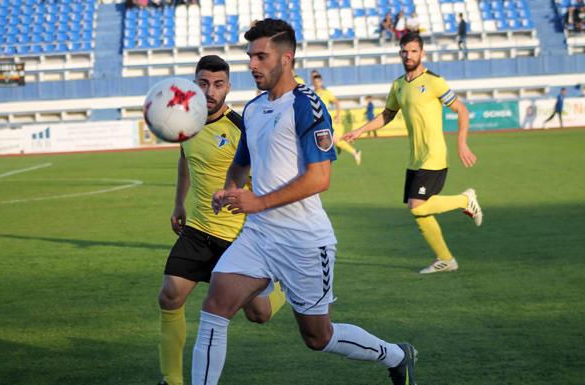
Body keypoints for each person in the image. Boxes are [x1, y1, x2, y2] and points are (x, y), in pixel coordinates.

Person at [191, 18, 418, 385]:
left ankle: (396, 355)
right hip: (259, 235)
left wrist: (258, 202)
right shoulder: (253, 109)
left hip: (304, 242)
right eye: (250, 56)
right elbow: (241, 163)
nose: (252, 65)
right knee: (215, 306)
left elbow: (320, 178)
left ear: (286, 58)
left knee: (318, 337)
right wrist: (229, 188)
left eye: (261, 56)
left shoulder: (307, 106)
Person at [156, 55, 286, 385]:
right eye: (203, 83)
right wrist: (178, 204)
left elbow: (269, 176)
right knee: (170, 295)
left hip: (239, 236)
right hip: (199, 227)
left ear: (228, 87)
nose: (210, 91)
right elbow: (185, 160)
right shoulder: (185, 121)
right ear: (194, 84)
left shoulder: (242, 128)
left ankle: (285, 285)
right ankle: (171, 380)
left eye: (218, 84)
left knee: (259, 314)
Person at [343, 33, 483, 274]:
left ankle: (465, 199)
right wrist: (360, 130)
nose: (409, 55)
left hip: (434, 155)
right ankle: (446, 260)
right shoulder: (398, 85)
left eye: (414, 51)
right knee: (420, 213)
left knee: (417, 206)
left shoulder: (434, 81)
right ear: (400, 52)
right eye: (405, 51)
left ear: (422, 54)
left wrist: (462, 143)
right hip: (415, 158)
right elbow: (387, 115)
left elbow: (462, 111)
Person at [312, 72, 362, 165]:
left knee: (334, 140)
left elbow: (337, 102)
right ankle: (350, 152)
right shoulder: (313, 94)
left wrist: (338, 115)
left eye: (318, 81)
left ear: (321, 82)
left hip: (327, 120)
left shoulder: (326, 93)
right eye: (315, 82)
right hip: (318, 122)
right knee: (328, 141)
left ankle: (354, 152)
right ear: (313, 83)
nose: (317, 83)